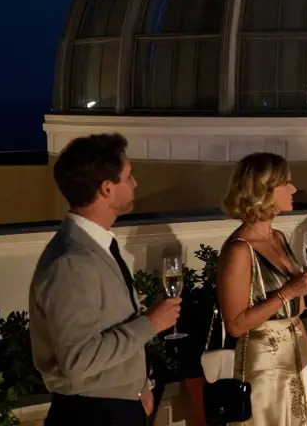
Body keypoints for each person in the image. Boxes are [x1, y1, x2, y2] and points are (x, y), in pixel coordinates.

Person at [29, 133, 181, 426]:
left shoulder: (95, 248)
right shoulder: (72, 262)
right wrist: (150, 324)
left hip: (115, 406)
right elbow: (78, 361)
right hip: (92, 414)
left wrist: (139, 386)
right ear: (107, 189)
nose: (135, 183)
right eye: (129, 176)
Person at [217, 152, 307, 426]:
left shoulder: (277, 237)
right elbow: (235, 325)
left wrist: (306, 287)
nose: (293, 189)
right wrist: (289, 291)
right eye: (286, 183)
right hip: (263, 363)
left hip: (296, 351)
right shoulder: (239, 249)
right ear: (264, 191)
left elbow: (295, 305)